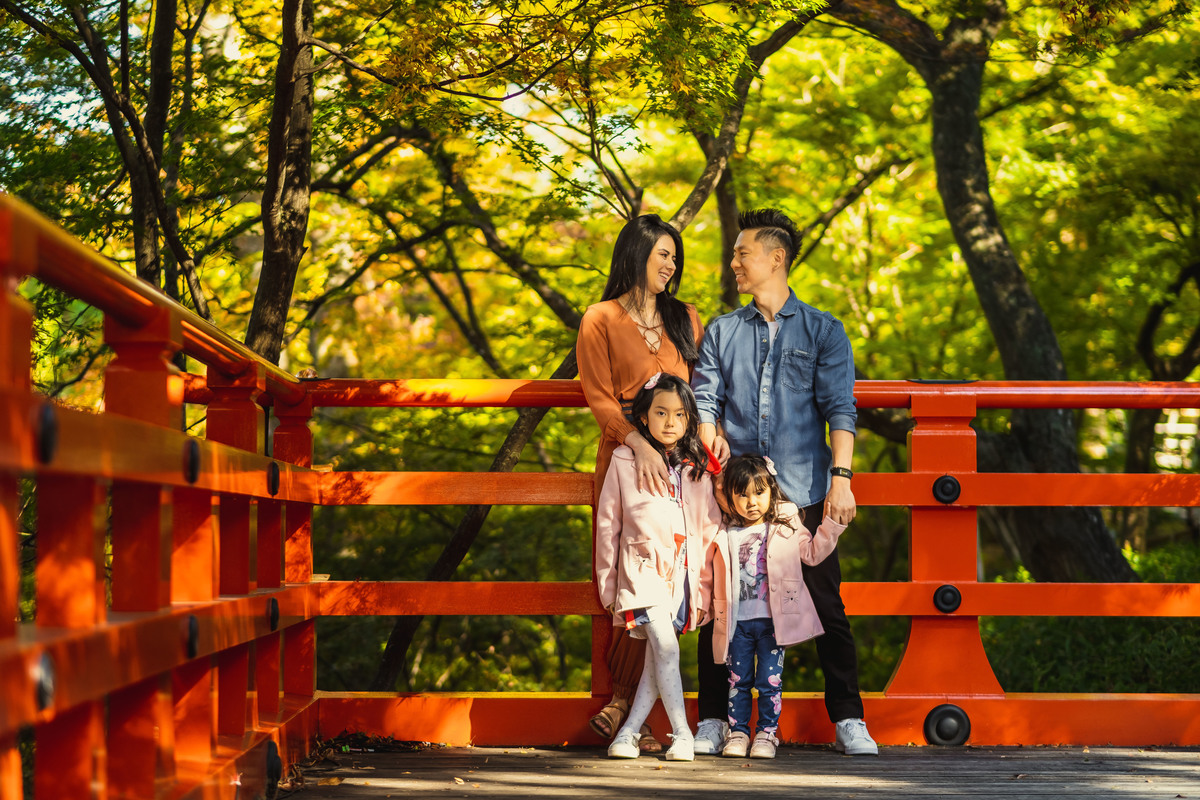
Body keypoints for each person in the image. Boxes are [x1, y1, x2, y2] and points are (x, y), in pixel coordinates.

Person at [691, 207, 878, 756]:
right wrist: (709, 433)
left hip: (805, 488)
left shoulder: (824, 330)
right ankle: (712, 719)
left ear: (776, 258)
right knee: (721, 604)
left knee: (827, 605)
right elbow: (705, 398)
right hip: (737, 493)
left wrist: (841, 481)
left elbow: (841, 409)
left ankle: (848, 718)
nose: (734, 263)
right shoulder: (723, 331)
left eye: (742, 253)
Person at [577, 213, 724, 751]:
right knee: (631, 565)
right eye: (663, 254)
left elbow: (701, 389)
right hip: (626, 457)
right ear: (636, 254)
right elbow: (598, 396)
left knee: (680, 570)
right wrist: (636, 442)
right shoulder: (599, 318)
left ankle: (638, 716)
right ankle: (624, 702)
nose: (671, 265)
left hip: (683, 462)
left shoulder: (685, 317)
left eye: (674, 257)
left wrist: (709, 432)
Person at [594, 374, 722, 761]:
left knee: (657, 657)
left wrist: (704, 589)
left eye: (680, 414)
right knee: (665, 646)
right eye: (661, 412)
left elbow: (709, 529)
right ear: (643, 417)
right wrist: (608, 585)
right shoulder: (624, 459)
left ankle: (627, 734)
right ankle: (683, 734)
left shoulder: (698, 467)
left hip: (682, 575)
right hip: (642, 571)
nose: (670, 422)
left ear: (690, 419)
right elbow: (608, 525)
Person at [702, 455, 846, 759]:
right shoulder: (725, 532)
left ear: (771, 491)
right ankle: (738, 733)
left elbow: (811, 554)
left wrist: (832, 527)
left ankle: (767, 733)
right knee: (737, 682)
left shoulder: (785, 526)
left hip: (773, 623)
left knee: (769, 683)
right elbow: (709, 575)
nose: (751, 502)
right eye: (742, 494)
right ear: (730, 497)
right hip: (737, 624)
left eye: (759, 492)